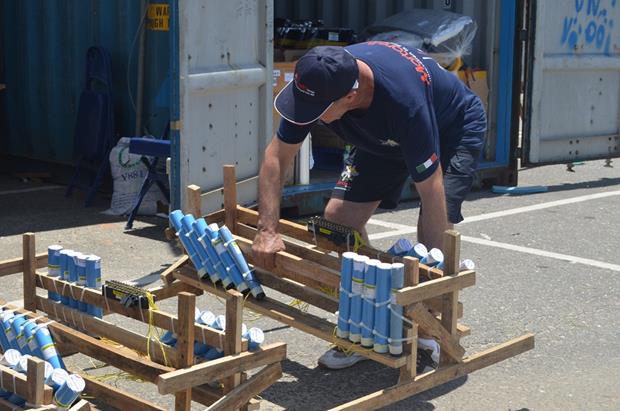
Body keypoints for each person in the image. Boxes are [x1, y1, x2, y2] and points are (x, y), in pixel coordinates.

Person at [252, 42, 486, 369]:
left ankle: (430, 326)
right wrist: (267, 230)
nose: (308, 118)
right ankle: (369, 326)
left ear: (349, 97)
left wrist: (431, 288)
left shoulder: (405, 104)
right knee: (339, 222)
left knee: (435, 222)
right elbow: (276, 157)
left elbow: (430, 192)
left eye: (316, 111)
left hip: (450, 127)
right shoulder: (323, 77)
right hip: (381, 136)